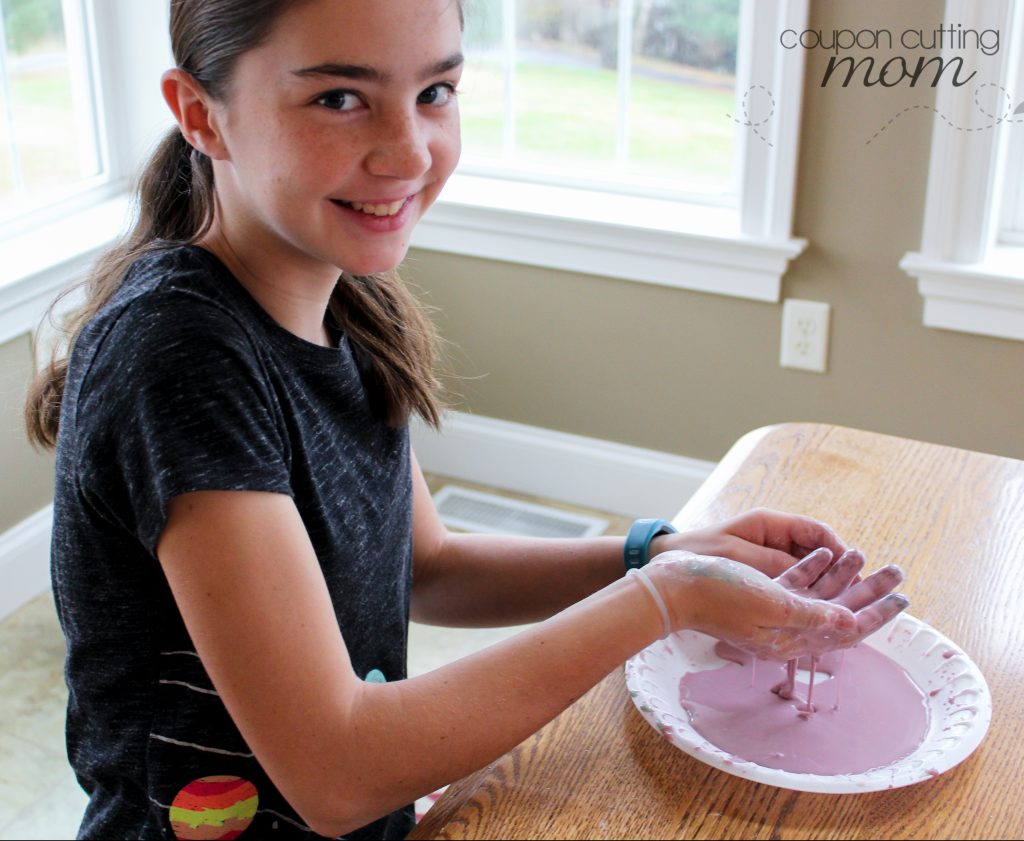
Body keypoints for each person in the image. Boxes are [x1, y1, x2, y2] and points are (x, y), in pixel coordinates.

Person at [24, 1, 908, 839]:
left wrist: (655, 552)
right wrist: (665, 601)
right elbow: (335, 770)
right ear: (200, 113)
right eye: (339, 98)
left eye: (435, 93)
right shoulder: (177, 355)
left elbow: (430, 566)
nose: (408, 153)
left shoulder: (347, 306)